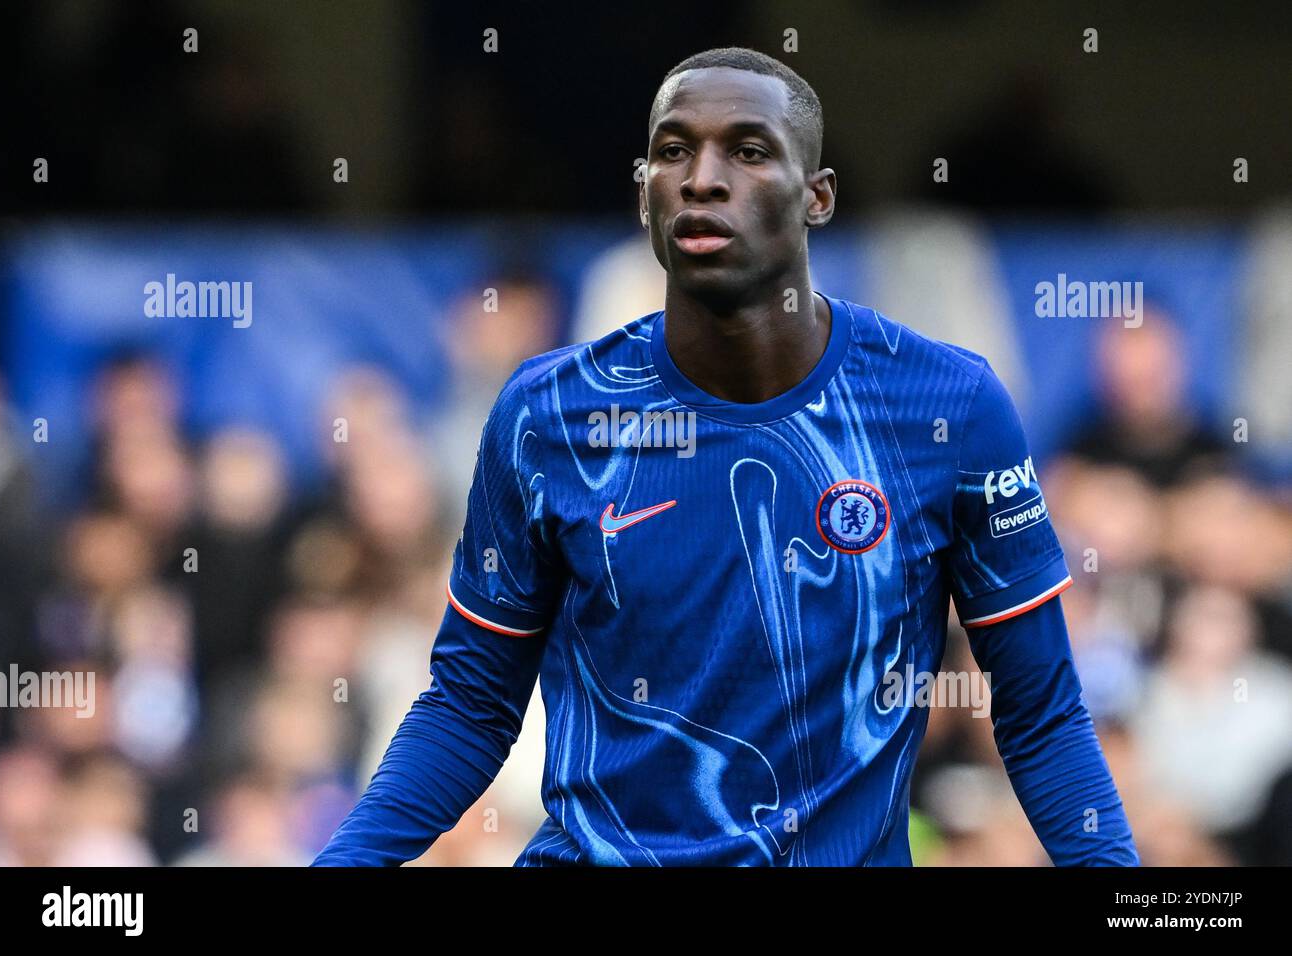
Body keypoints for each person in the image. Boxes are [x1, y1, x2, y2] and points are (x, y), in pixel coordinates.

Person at [313, 47, 1137, 866]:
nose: (702, 178)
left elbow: (1039, 711)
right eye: (673, 151)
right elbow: (470, 703)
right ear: (645, 195)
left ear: (817, 197)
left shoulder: (949, 408)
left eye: (747, 151)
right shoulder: (547, 417)